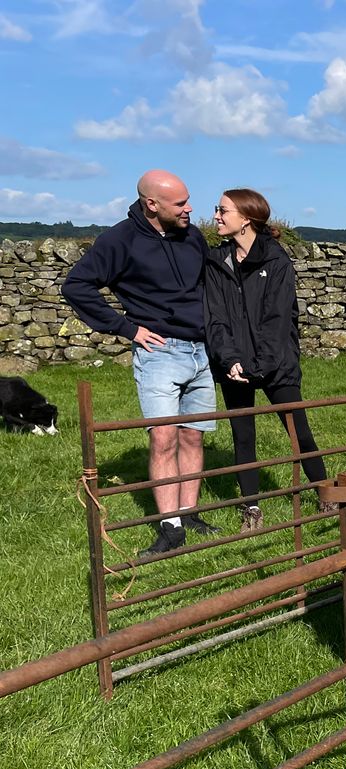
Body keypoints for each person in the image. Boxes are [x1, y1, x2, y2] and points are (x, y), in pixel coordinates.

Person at [62, 169, 218, 558]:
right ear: (152, 204)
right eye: (180, 203)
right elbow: (77, 285)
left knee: (193, 435)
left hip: (201, 351)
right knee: (163, 438)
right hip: (160, 353)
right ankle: (170, 530)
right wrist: (127, 329)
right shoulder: (120, 240)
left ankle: (189, 513)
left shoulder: (191, 235)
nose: (190, 209)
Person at [203, 189, 330, 532]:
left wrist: (261, 365)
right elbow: (214, 318)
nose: (215, 215)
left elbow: (277, 321)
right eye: (217, 209)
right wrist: (229, 360)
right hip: (234, 366)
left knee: (298, 432)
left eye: (223, 210)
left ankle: (326, 495)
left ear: (245, 218)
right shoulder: (216, 263)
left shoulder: (276, 262)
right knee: (243, 437)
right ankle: (252, 511)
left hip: (276, 364)